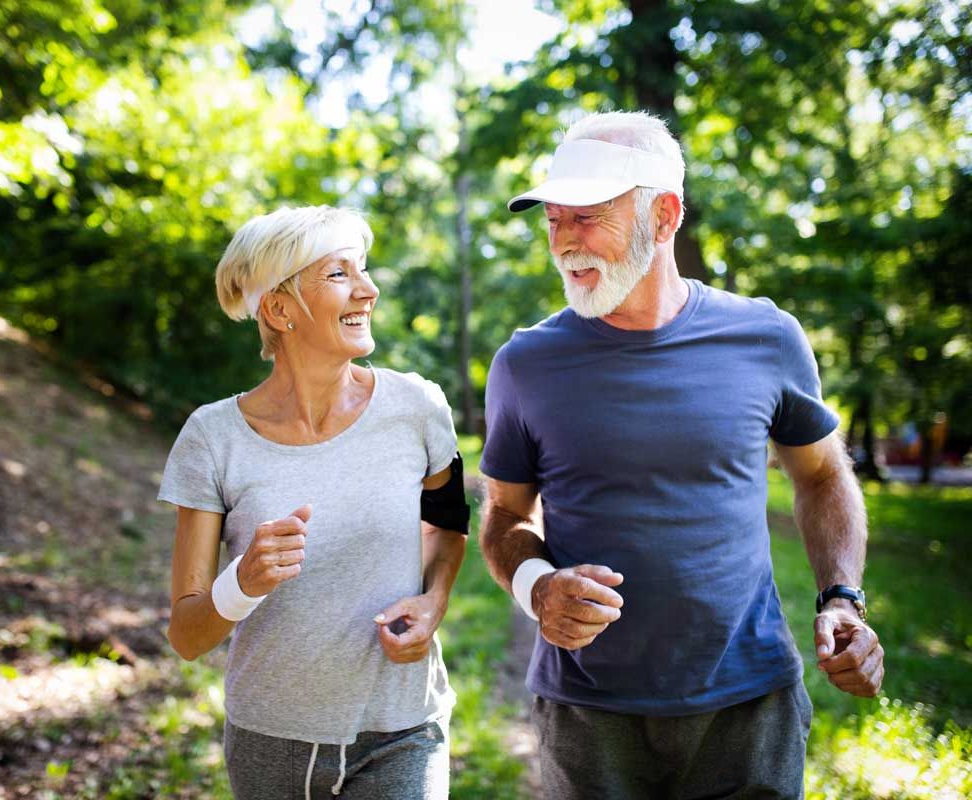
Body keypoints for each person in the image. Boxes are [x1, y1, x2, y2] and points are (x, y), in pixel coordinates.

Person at [479, 111, 884, 800]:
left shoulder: (766, 336)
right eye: (553, 219)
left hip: (747, 705)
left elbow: (821, 474)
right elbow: (503, 518)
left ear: (663, 216)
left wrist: (841, 596)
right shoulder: (525, 363)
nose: (563, 241)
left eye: (587, 217)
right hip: (588, 716)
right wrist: (536, 587)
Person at [158, 205, 470, 800]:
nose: (369, 289)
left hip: (405, 725)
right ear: (278, 309)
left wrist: (435, 601)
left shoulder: (420, 408)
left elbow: (448, 523)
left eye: (365, 270)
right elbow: (187, 635)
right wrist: (243, 581)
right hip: (272, 736)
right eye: (338, 274)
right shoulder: (212, 437)